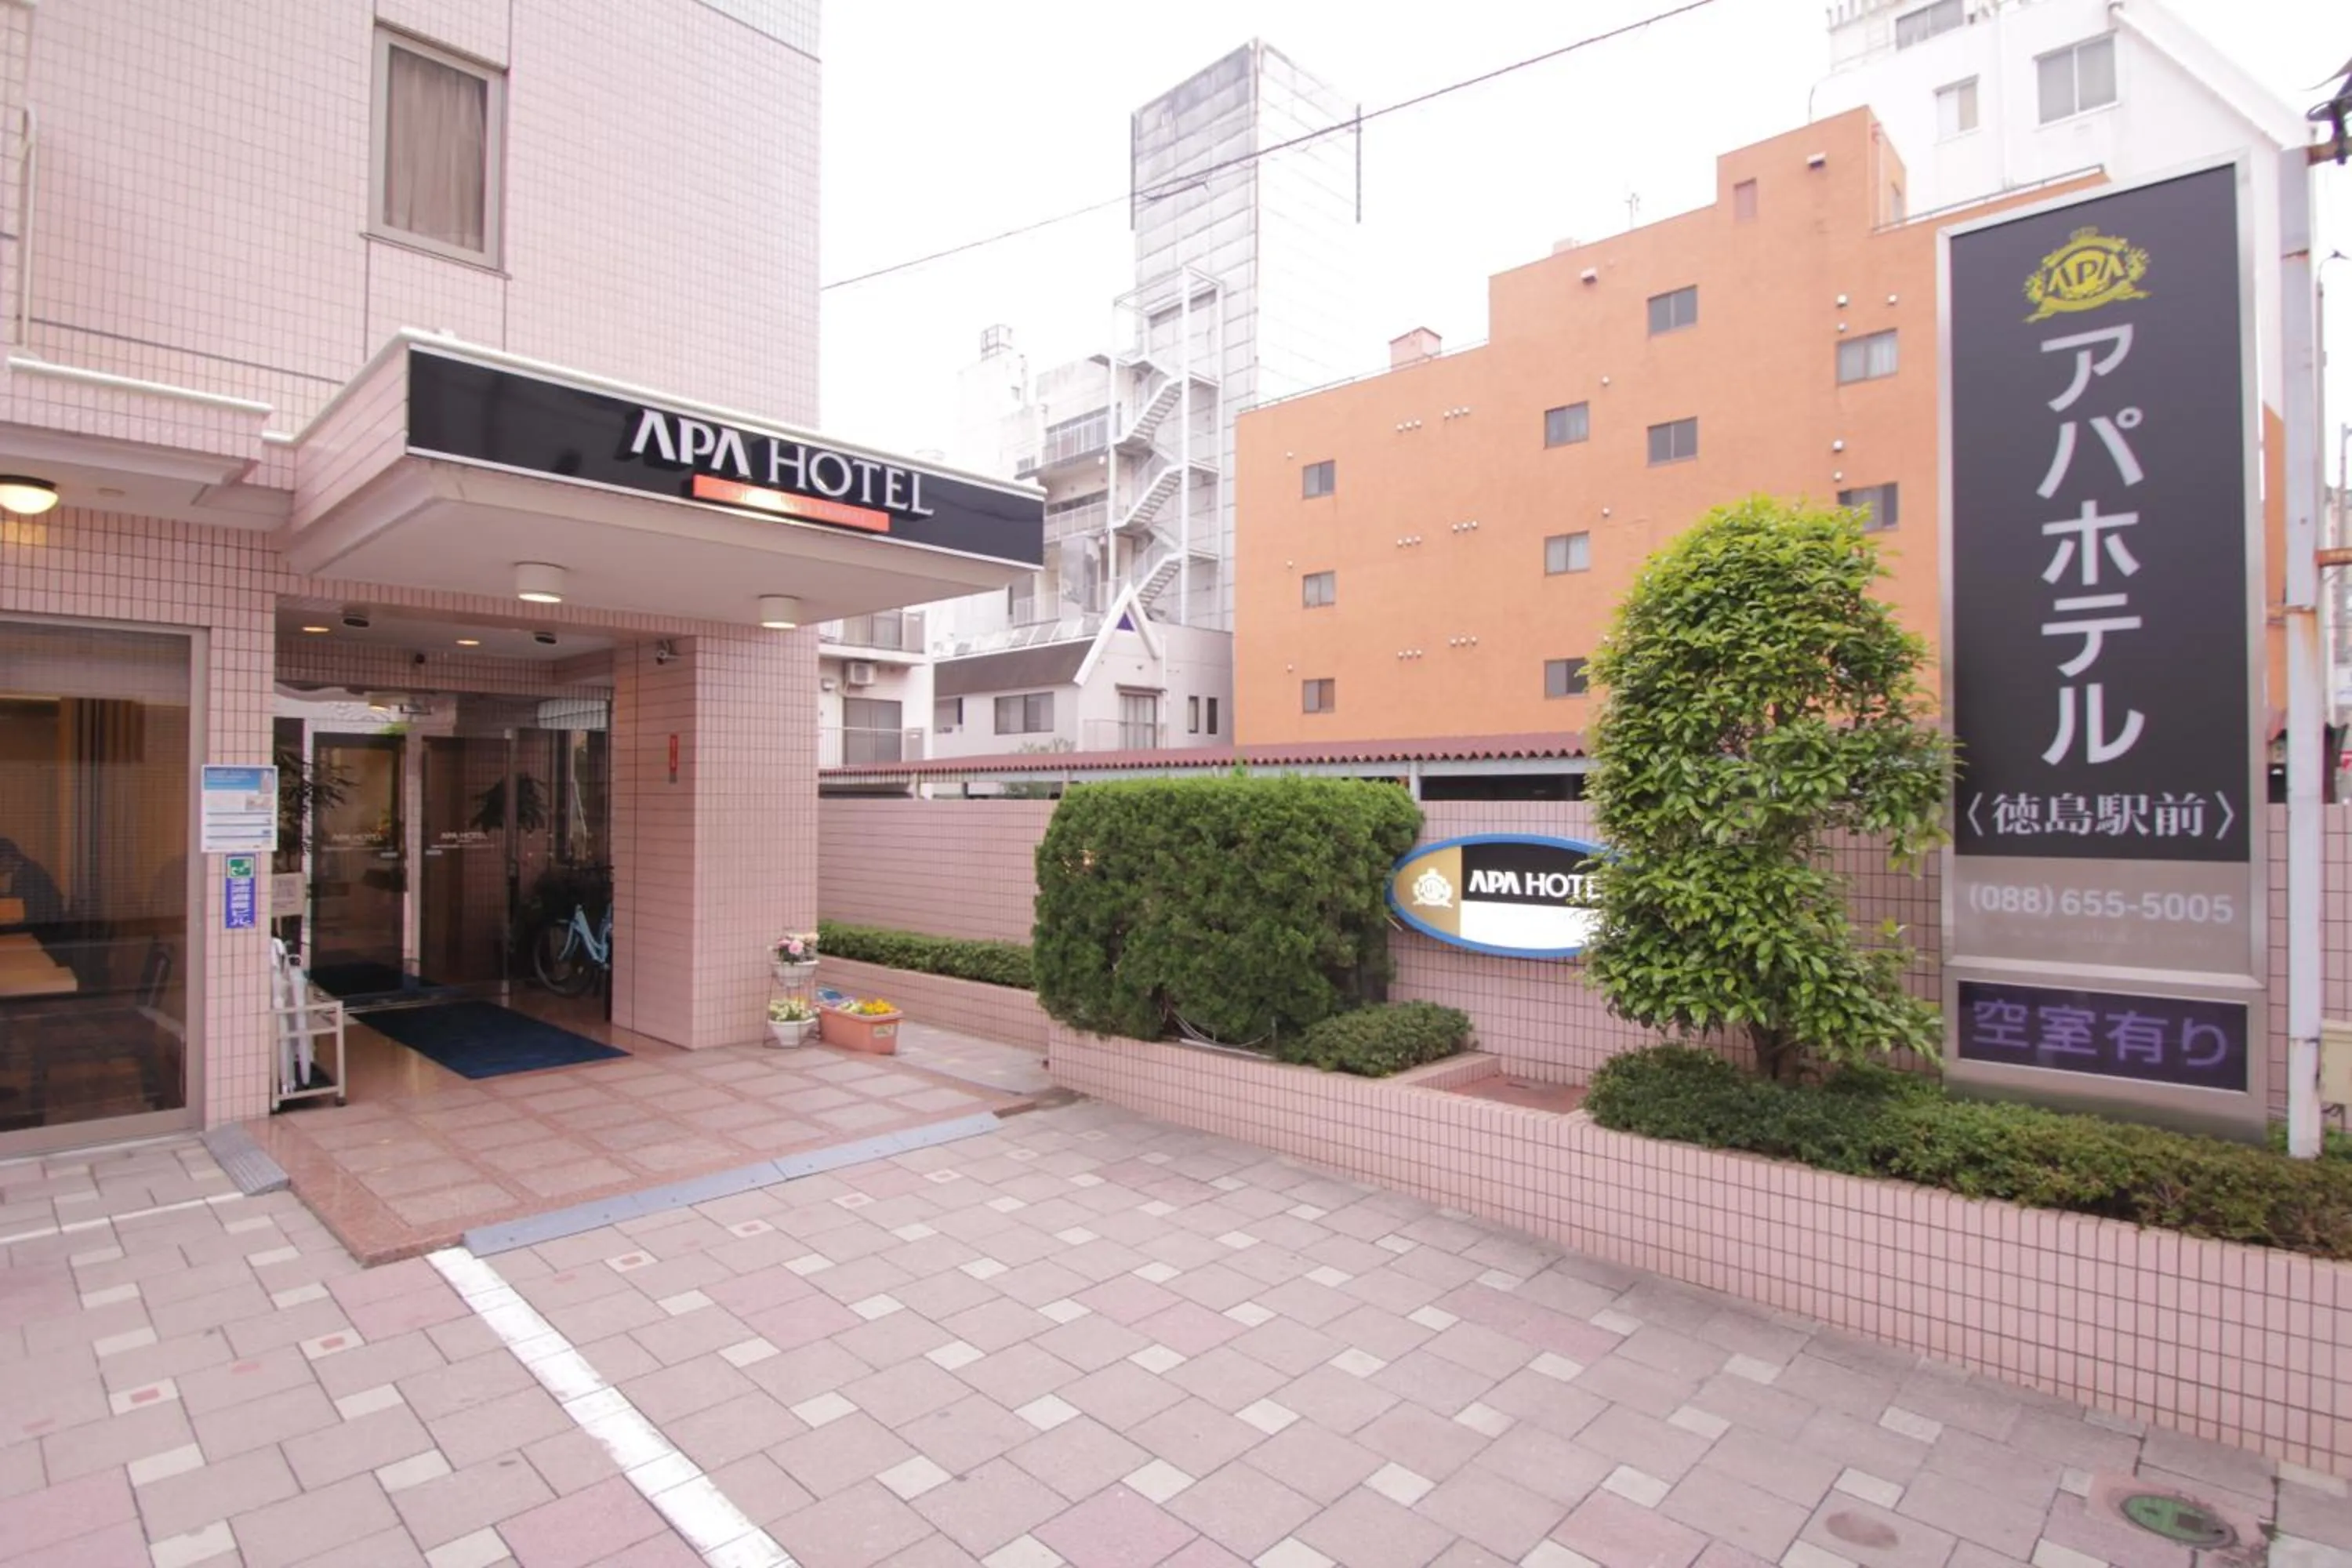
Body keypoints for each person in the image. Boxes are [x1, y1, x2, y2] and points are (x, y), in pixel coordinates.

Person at [0, 837, 67, 934]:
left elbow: (28, 913)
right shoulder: (26, 869)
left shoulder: (28, 875)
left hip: (45, 933)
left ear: (7, 858)